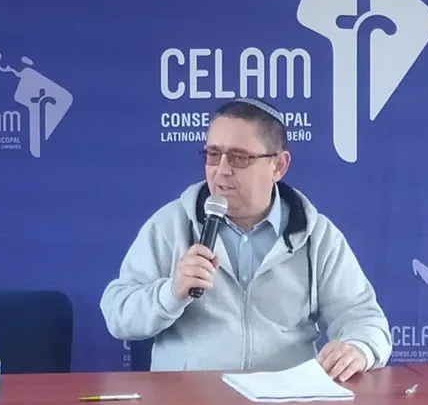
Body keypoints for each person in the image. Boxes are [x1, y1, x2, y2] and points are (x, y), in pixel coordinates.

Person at [100, 98, 392, 382]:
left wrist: (359, 348)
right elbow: (117, 314)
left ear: (278, 166)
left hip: (286, 396)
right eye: (213, 155)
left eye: (239, 158)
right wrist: (171, 293)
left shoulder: (316, 235)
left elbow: (364, 318)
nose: (221, 170)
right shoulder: (171, 224)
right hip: (190, 397)